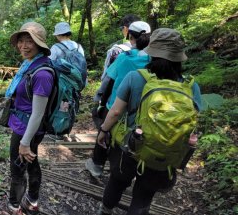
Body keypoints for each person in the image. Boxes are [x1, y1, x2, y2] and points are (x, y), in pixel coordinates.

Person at [95, 28, 202, 215]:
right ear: (179, 58)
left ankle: (105, 210)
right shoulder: (192, 87)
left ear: (151, 53)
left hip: (130, 145)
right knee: (144, 195)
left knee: (117, 182)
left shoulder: (135, 77)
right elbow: (193, 120)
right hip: (164, 151)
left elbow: (115, 112)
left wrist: (103, 131)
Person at [86, 21, 151, 178]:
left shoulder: (124, 58)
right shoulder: (153, 60)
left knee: (105, 131)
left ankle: (97, 165)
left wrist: (100, 100)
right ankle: (129, 170)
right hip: (141, 107)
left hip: (116, 104)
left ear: (129, 35)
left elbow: (109, 81)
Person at [4, 22, 55, 215]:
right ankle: (32, 201)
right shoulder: (32, 64)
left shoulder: (41, 74)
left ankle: (14, 206)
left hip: (27, 129)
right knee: (31, 162)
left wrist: (25, 142)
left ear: (39, 44)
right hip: (25, 125)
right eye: (21, 41)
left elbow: (38, 112)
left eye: (29, 41)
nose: (23, 46)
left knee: (17, 169)